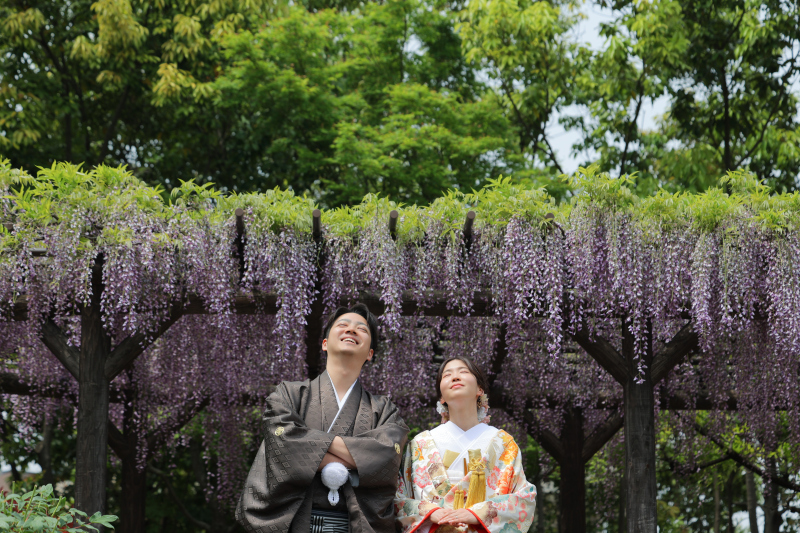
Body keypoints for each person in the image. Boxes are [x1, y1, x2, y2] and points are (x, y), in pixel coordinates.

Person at [236, 303, 409, 533]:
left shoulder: (384, 409)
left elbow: (388, 457)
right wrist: (362, 458)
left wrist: (306, 446)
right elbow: (282, 447)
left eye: (362, 329)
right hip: (294, 522)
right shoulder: (288, 394)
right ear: (325, 344)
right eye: (343, 325)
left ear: (370, 354)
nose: (351, 330)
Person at [395, 357, 537, 533]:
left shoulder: (503, 443)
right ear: (441, 397)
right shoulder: (420, 444)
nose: (455, 377)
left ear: (479, 389)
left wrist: (478, 514)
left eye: (463, 372)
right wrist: (430, 512)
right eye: (447, 375)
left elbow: (524, 500)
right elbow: (398, 500)